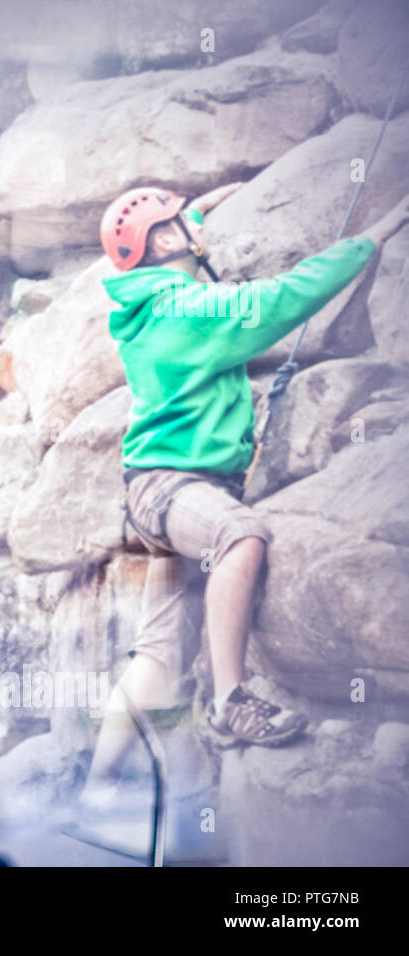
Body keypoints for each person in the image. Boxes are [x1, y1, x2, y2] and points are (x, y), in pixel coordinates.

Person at [79, 181, 409, 805]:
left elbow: (185, 230)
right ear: (167, 241)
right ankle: (233, 699)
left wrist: (215, 197)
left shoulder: (157, 296)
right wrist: (374, 235)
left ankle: (94, 797)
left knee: (155, 655)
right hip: (175, 489)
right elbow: (276, 301)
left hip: (158, 490)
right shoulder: (185, 308)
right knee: (242, 535)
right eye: (183, 221)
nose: (198, 226)